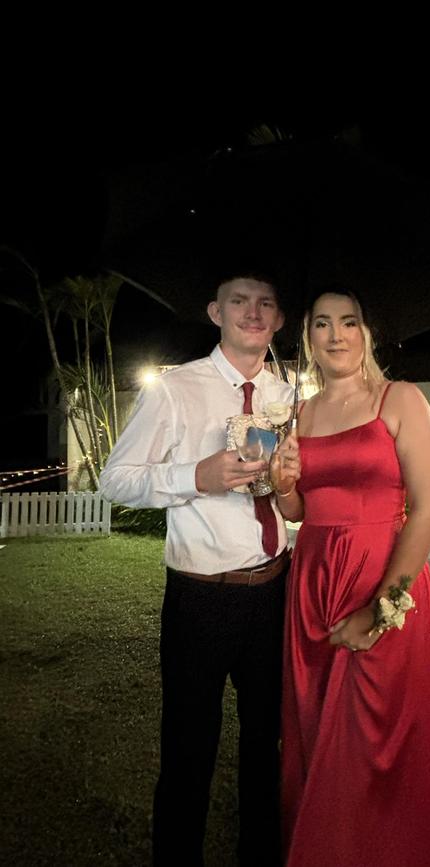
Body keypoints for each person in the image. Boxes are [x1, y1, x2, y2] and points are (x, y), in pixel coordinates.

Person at [99, 273, 294, 867]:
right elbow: (116, 480)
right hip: (201, 598)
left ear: (279, 320)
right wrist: (193, 478)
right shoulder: (177, 389)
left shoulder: (288, 394)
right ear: (215, 311)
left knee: (268, 746)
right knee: (189, 750)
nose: (253, 313)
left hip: (275, 591)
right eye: (239, 301)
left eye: (266, 304)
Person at [273, 289, 430, 867]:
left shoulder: (400, 400)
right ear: (309, 338)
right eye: (322, 324)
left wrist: (383, 607)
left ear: (367, 333)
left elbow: (428, 509)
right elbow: (298, 511)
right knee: (316, 721)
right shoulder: (299, 414)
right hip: (313, 585)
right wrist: (280, 484)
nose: (336, 335)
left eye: (348, 322)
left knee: (378, 733)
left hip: (383, 578)